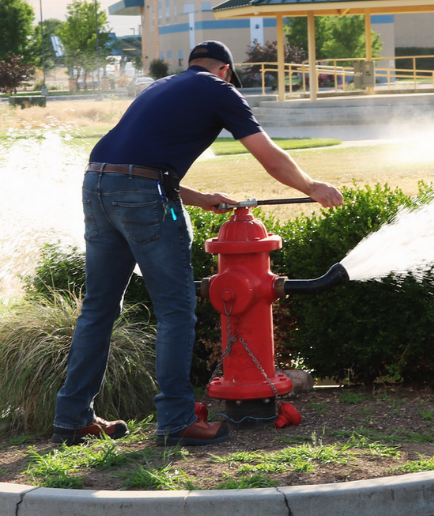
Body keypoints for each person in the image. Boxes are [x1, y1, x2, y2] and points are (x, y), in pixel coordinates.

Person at [52, 40, 342, 448]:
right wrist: (312, 186)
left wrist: (200, 198)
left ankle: (71, 418)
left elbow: (134, 163)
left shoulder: (161, 86)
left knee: (99, 308)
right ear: (225, 70)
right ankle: (175, 420)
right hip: (140, 193)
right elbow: (269, 156)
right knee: (176, 311)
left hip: (97, 184)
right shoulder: (219, 89)